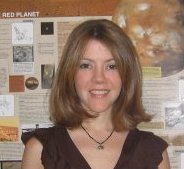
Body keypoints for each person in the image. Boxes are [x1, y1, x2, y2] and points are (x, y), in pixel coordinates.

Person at [21, 19, 170, 169]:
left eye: (111, 66)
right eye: (86, 65)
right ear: (70, 73)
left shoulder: (153, 152)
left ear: (127, 75)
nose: (99, 78)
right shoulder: (41, 151)